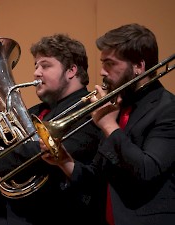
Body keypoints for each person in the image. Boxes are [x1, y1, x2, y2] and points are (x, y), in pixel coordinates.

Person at [39, 23, 175, 225]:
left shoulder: (167, 109)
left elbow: (147, 170)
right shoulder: (118, 106)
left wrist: (110, 127)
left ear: (139, 66)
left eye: (110, 64)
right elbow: (97, 179)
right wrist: (64, 161)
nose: (102, 72)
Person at [0, 34, 104, 225]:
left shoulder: (88, 109)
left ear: (71, 70)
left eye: (45, 65)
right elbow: (9, 152)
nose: (36, 73)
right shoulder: (36, 111)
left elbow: (42, 150)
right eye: (36, 66)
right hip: (11, 212)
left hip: (53, 214)